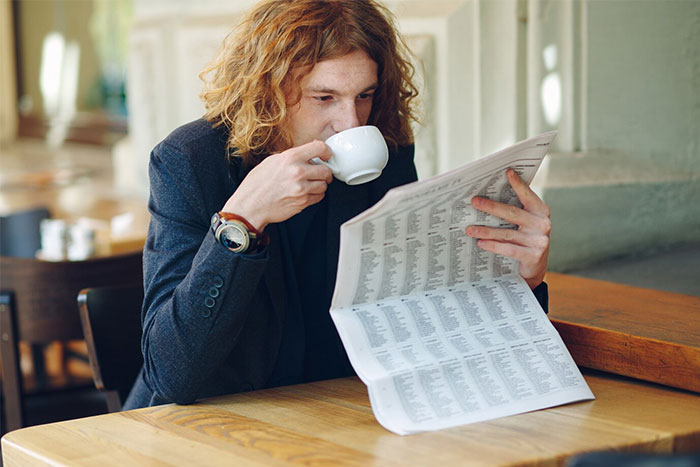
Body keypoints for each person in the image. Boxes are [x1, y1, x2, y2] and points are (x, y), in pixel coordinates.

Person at [123, 0, 551, 409]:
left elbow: (419, 313)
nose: (350, 122)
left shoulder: (385, 154)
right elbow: (173, 374)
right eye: (324, 98)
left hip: (332, 418)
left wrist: (521, 279)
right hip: (199, 429)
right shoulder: (191, 162)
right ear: (266, 90)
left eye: (363, 95)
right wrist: (242, 220)